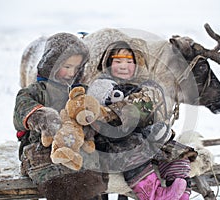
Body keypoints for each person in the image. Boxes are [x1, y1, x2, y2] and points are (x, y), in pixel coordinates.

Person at [91, 40, 193, 200]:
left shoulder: (148, 85)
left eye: (129, 61)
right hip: (115, 141)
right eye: (117, 61)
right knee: (134, 152)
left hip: (146, 134)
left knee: (176, 152)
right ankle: (154, 195)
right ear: (108, 64)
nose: (123, 66)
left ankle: (180, 191)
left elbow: (151, 105)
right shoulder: (101, 87)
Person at [13, 32, 108, 200]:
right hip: (40, 151)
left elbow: (92, 109)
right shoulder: (37, 90)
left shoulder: (79, 91)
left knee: (91, 182)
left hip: (77, 149)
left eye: (76, 68)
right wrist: (40, 116)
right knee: (60, 184)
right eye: (67, 66)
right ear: (51, 64)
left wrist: (94, 117)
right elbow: (22, 107)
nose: (72, 72)